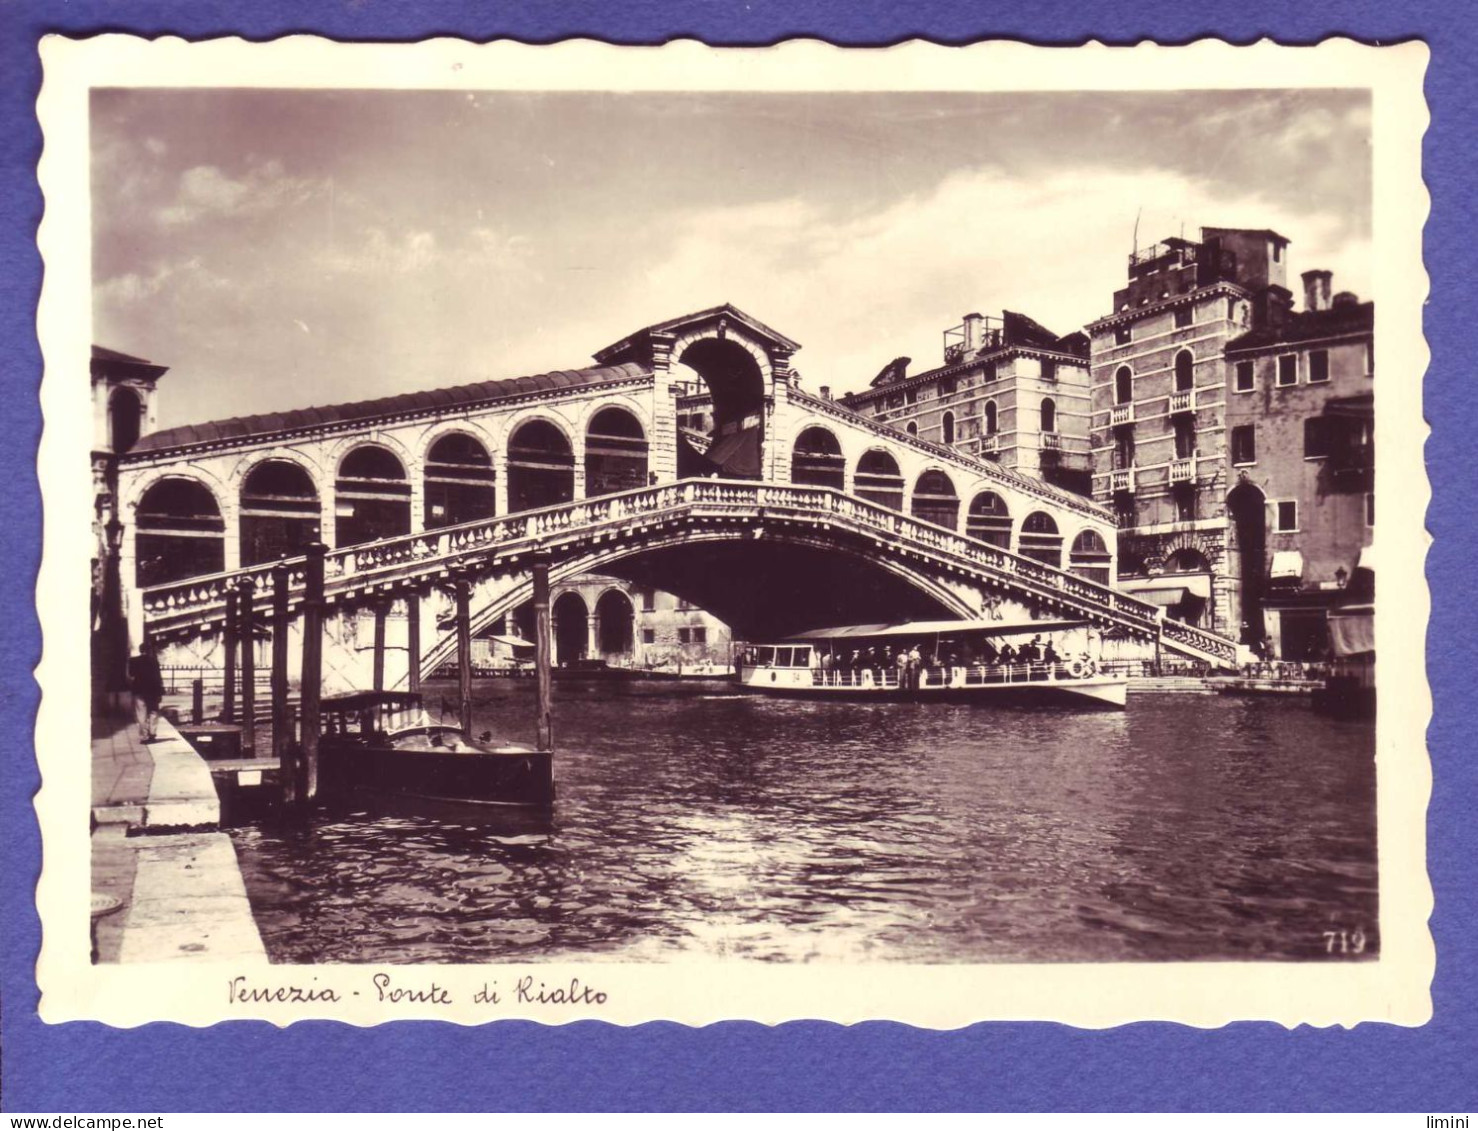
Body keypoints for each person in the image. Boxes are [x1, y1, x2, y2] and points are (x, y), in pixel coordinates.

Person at [127, 640, 165, 742]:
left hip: (139, 689)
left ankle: (144, 736)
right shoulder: (154, 661)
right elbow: (158, 678)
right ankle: (152, 734)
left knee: (141, 713)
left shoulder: (133, 661)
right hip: (153, 690)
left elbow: (131, 674)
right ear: (149, 650)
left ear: (140, 650)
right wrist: (160, 692)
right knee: (153, 712)